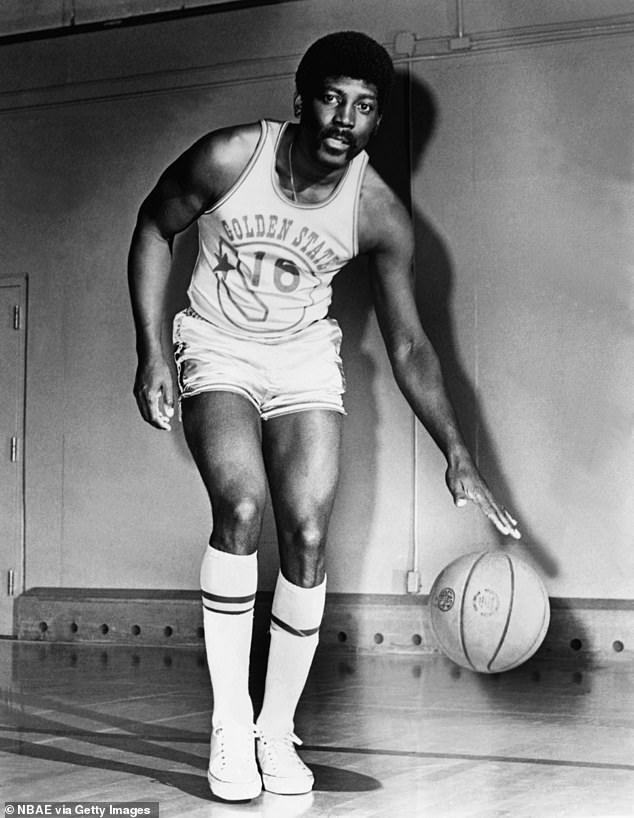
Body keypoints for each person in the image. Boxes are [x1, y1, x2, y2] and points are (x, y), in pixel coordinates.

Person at [128, 30, 520, 802]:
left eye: (366, 107)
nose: (347, 119)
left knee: (307, 536)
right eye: (334, 99)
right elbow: (153, 227)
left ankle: (275, 728)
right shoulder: (229, 158)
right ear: (301, 101)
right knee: (241, 508)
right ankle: (230, 723)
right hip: (218, 344)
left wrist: (457, 449)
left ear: (377, 122)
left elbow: (409, 345)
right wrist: (147, 351)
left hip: (303, 356)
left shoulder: (377, 210)